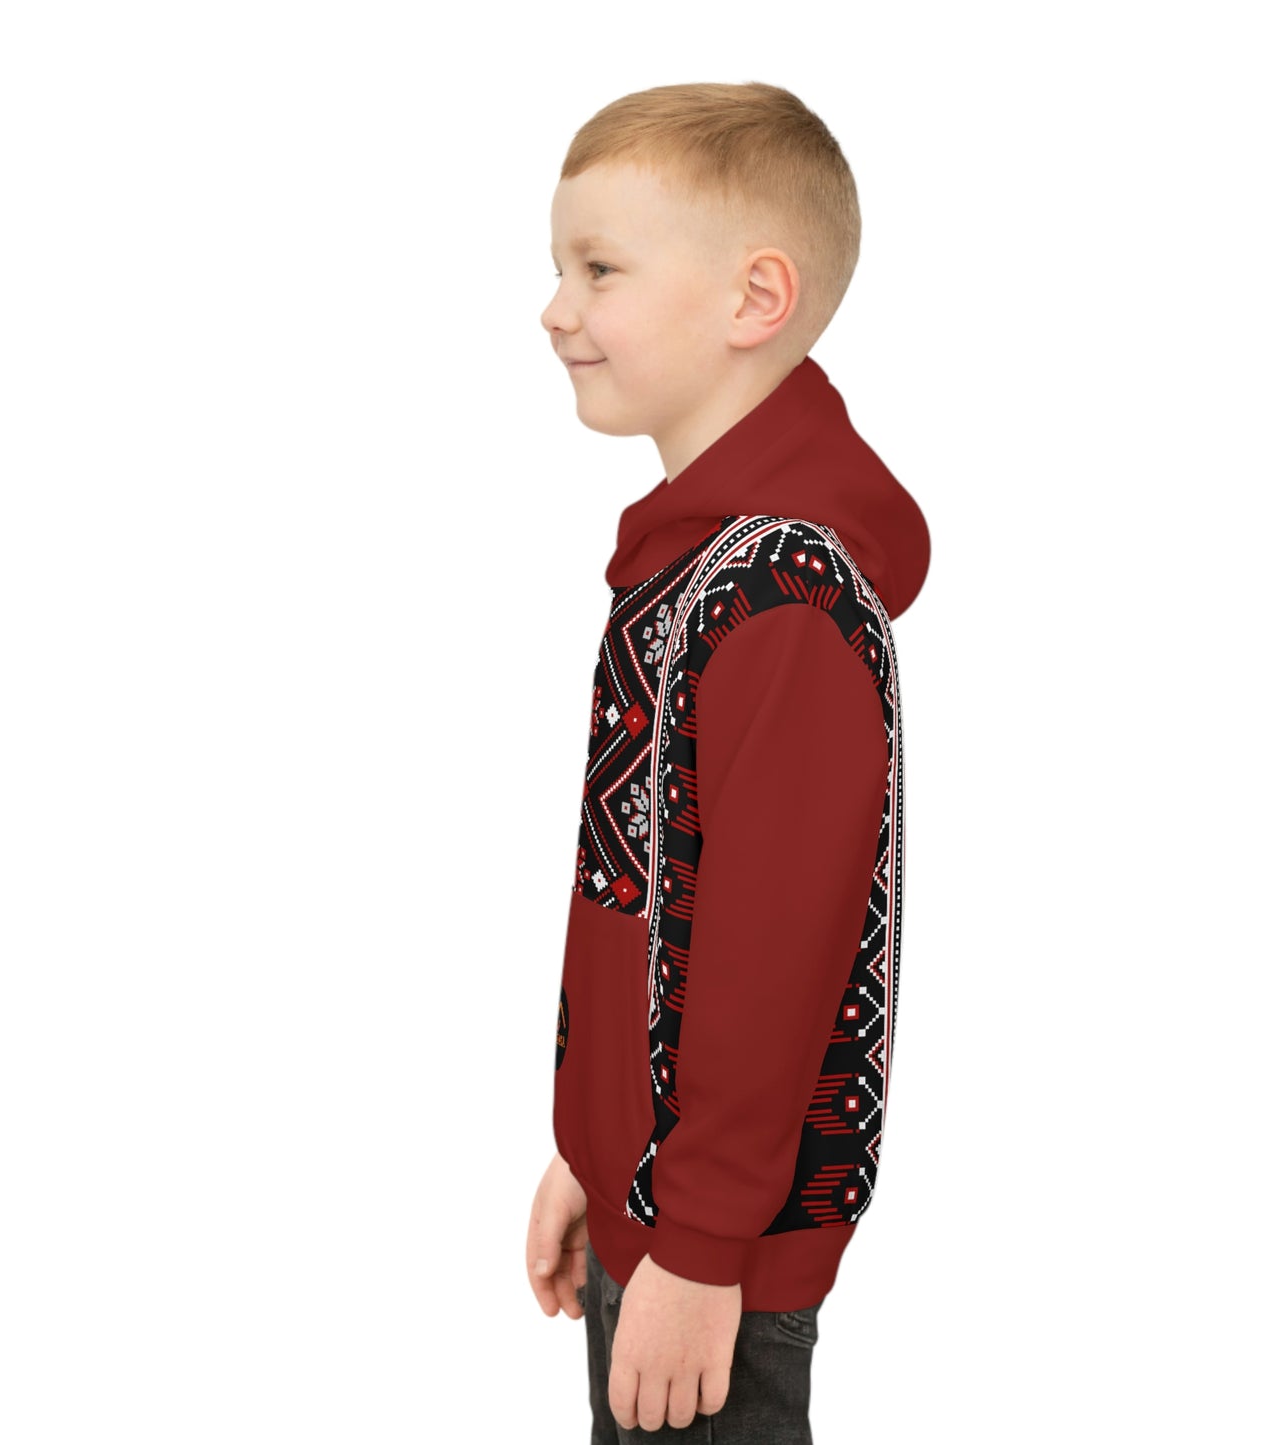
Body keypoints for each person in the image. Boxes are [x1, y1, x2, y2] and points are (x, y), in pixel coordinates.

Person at [525, 81, 930, 1443]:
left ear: (755, 298)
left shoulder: (777, 597)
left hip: (717, 1254)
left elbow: (772, 956)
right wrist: (595, 1156)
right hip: (660, 1211)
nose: (555, 309)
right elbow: (651, 901)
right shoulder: (695, 563)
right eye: (558, 268)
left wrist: (700, 1245)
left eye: (599, 269)